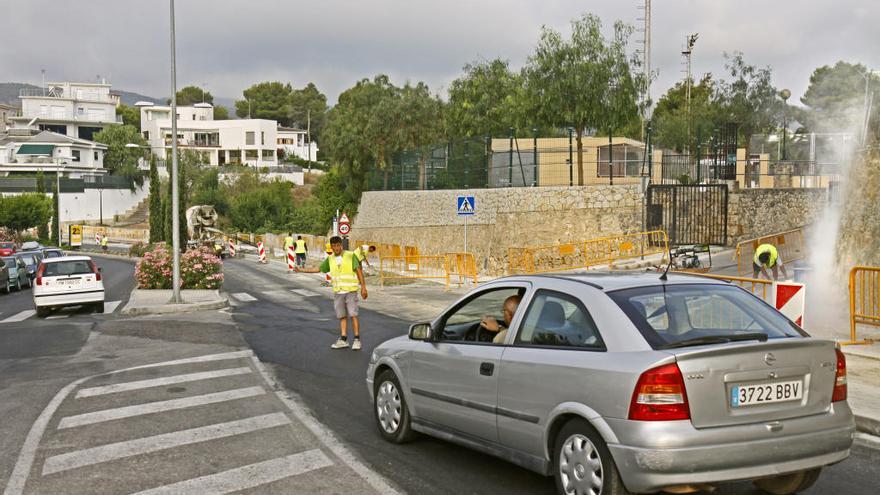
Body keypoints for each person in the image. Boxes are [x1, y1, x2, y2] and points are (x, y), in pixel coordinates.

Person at [296, 236, 368, 350]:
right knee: (342, 316)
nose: (336, 248)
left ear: (341, 245)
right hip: (338, 292)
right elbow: (319, 269)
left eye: (338, 245)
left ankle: (357, 339)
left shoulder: (350, 255)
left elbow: (358, 271)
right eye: (333, 246)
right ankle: (343, 339)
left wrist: (363, 287)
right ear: (331, 247)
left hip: (350, 290)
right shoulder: (330, 259)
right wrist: (302, 270)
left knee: (353, 314)